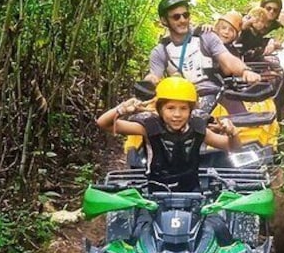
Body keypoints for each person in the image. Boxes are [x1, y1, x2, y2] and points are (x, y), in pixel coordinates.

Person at [97, 77, 240, 192]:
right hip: (157, 193)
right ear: (160, 109)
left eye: (183, 108)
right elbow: (103, 123)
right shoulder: (149, 128)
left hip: (192, 193)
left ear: (191, 111)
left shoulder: (198, 128)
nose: (177, 114)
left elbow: (232, 147)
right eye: (170, 108)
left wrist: (232, 133)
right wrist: (122, 110)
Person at [145, 0, 260, 107]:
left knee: (243, 120)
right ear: (164, 20)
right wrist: (150, 80)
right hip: (180, 100)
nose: (183, 20)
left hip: (213, 93)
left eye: (186, 15)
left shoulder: (206, 36)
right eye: (176, 17)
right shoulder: (160, 51)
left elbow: (227, 59)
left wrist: (245, 71)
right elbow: (155, 76)